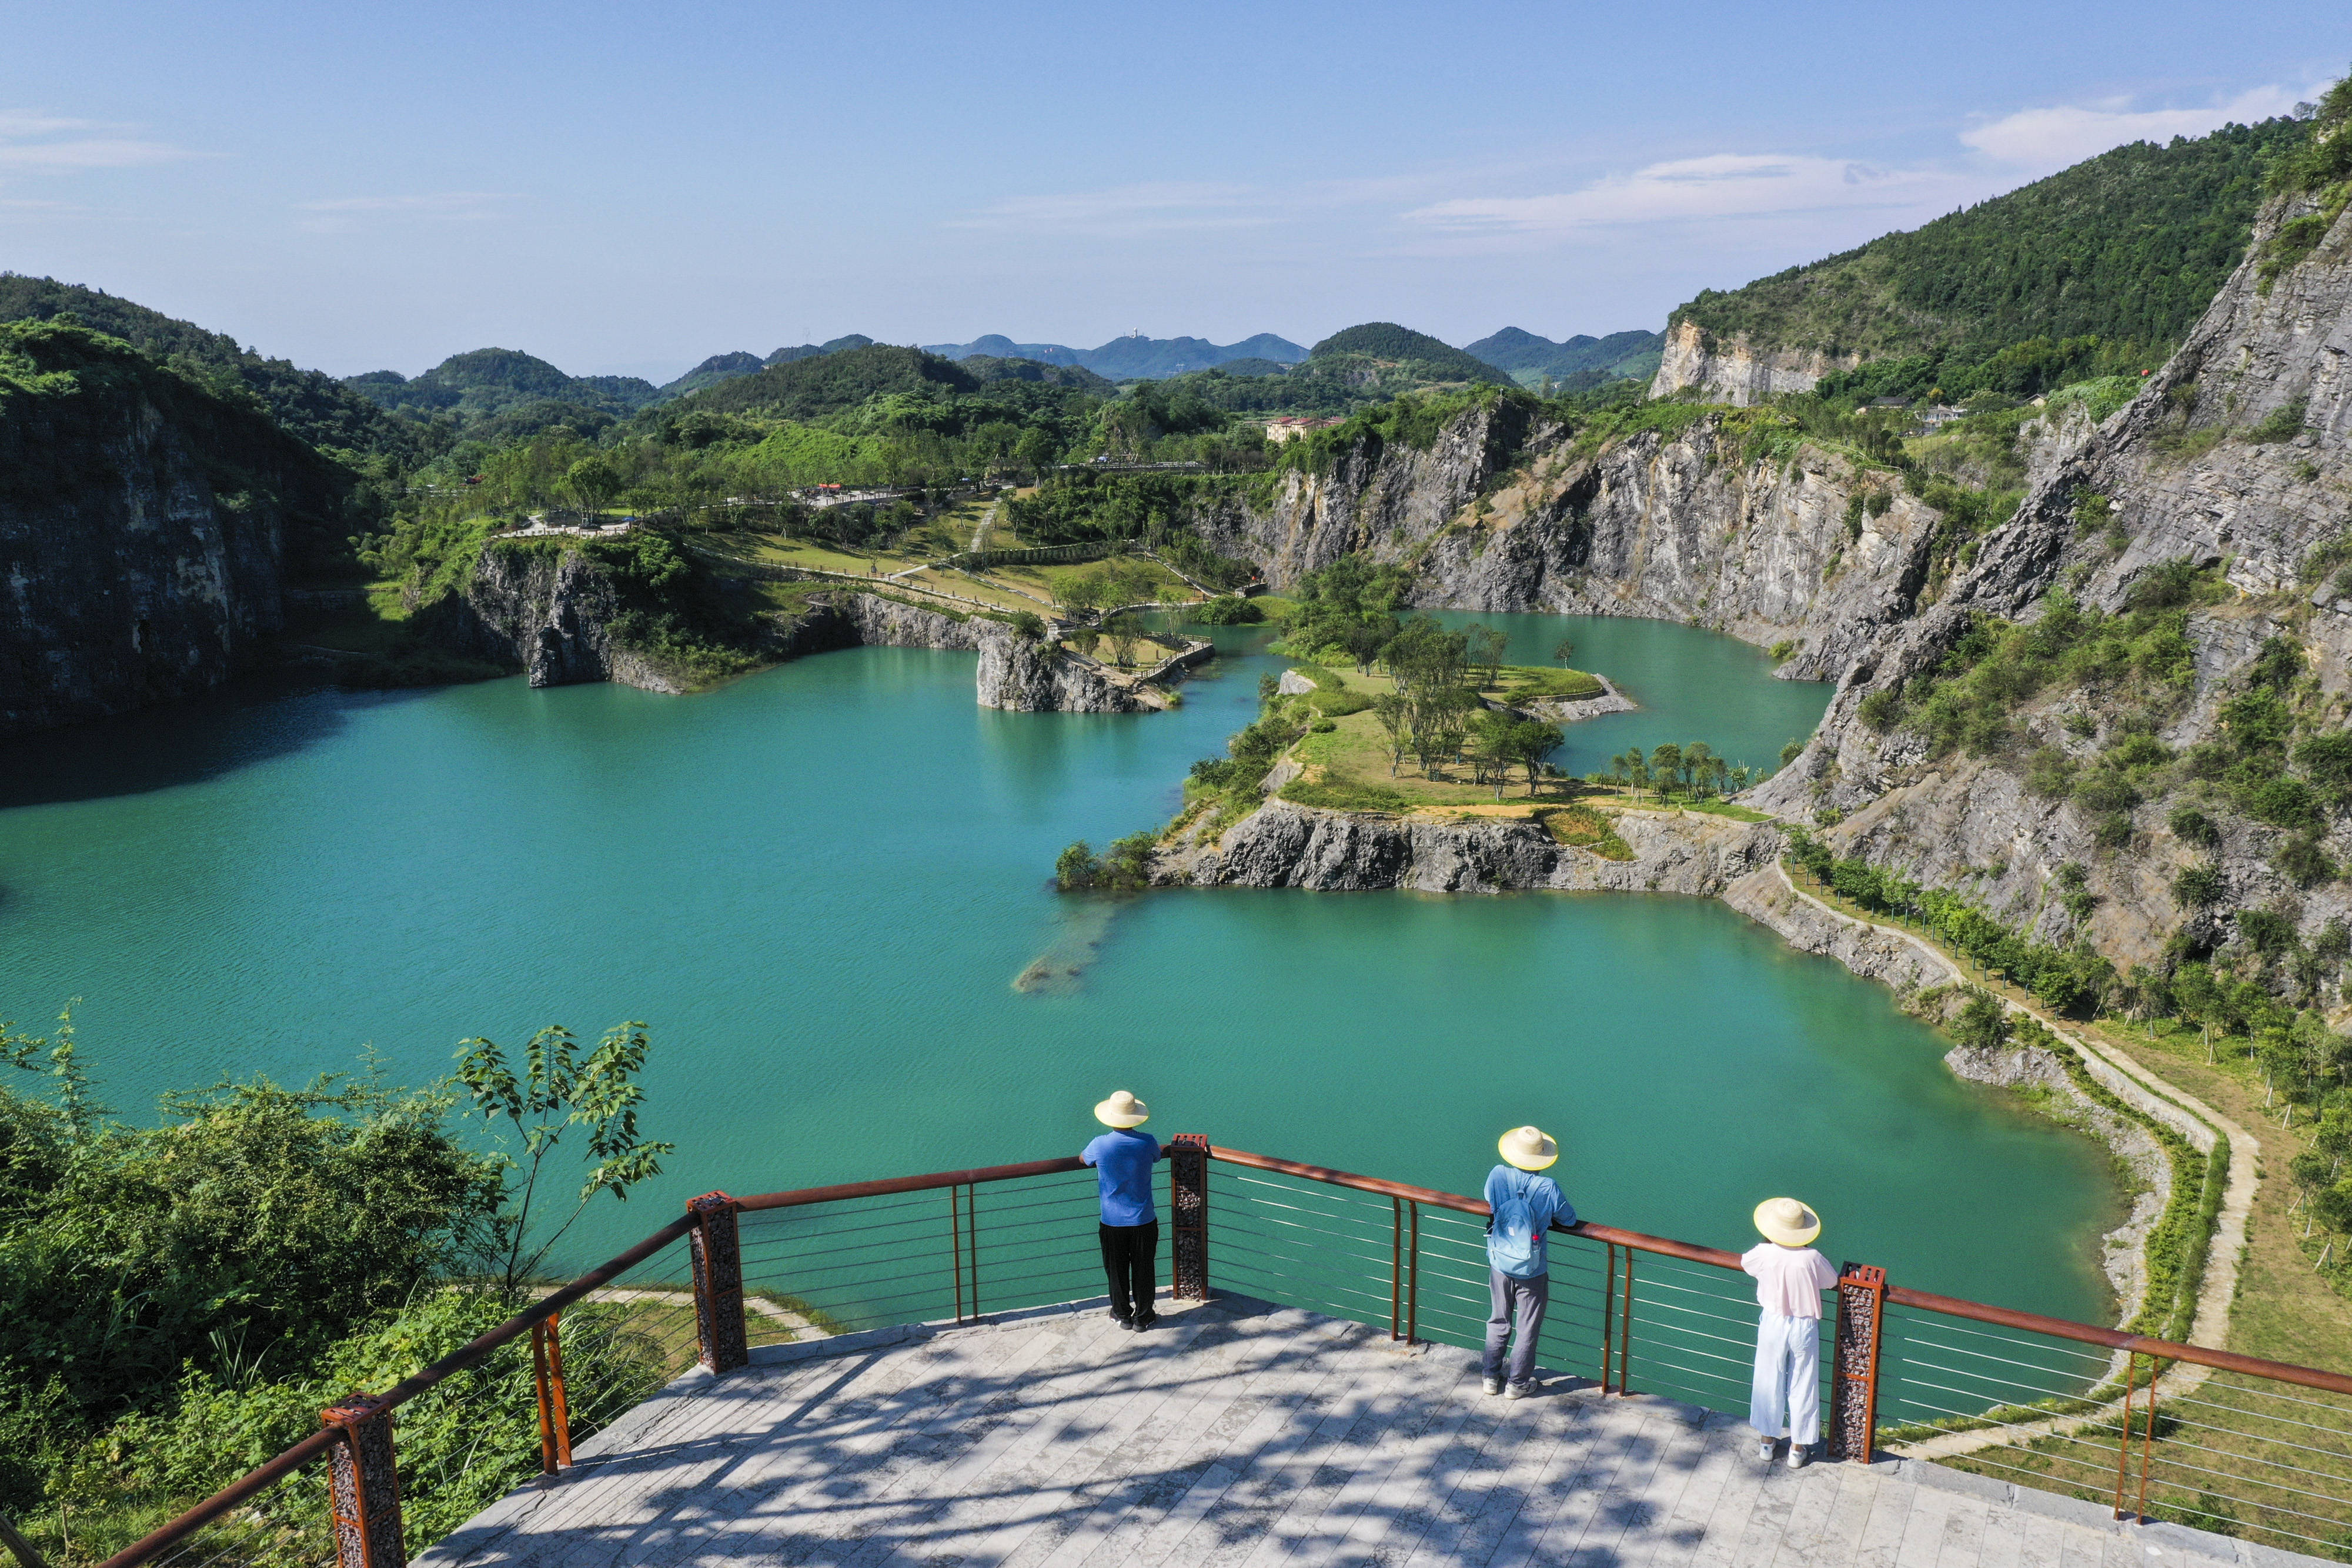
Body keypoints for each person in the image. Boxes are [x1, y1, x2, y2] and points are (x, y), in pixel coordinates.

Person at [1742, 1196, 1840, 1468]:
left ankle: (1767, 1443)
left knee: (1767, 1378)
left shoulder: (1764, 1253)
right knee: (1804, 1383)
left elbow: (1746, 1263)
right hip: (1804, 1325)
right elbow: (1831, 1281)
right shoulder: (1813, 1258)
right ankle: (1797, 1449)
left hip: (1773, 1321)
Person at [1482, 1125, 1573, 1398]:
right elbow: (1568, 1219)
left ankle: (1489, 1377)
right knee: (1527, 1328)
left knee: (1498, 1320)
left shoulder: (1497, 1175)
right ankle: (1517, 1384)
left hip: (1500, 1261)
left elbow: (1490, 1200)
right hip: (1532, 1268)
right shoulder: (1548, 1187)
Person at [1081, 1089, 1165, 1331]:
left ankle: (1122, 1314)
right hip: (1143, 1218)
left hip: (1112, 1221)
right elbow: (1157, 1156)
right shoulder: (1148, 1141)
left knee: (1116, 1269)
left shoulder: (1100, 1145)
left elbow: (1083, 1159)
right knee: (1144, 1267)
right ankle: (1144, 1316)